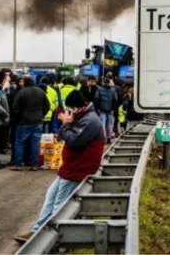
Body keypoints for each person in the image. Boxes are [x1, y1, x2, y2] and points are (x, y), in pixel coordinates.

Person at [14, 90, 106, 243]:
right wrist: (67, 126)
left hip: (78, 168)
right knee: (51, 196)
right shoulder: (83, 117)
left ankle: (53, 239)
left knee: (59, 204)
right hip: (71, 166)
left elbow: (74, 141)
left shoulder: (89, 121)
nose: (69, 112)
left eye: (70, 109)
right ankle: (38, 231)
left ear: (75, 107)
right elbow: (69, 137)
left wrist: (65, 124)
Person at [11, 76, 50, 171]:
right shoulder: (40, 91)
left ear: (25, 83)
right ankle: (35, 165)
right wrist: (41, 114)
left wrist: (17, 118)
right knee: (35, 143)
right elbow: (47, 105)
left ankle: (18, 164)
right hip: (38, 121)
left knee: (20, 143)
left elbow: (15, 107)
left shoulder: (22, 92)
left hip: (24, 121)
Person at [94, 77, 117, 144]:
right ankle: (109, 138)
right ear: (109, 83)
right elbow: (115, 100)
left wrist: (97, 108)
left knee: (102, 124)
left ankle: (103, 138)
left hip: (102, 109)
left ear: (103, 82)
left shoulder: (99, 89)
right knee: (109, 124)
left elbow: (96, 98)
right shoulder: (113, 90)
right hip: (110, 110)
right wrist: (113, 108)